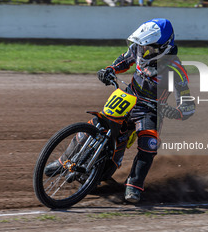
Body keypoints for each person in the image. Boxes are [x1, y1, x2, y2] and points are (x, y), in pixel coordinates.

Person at [44, 19, 195, 203]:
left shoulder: (176, 70)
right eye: (141, 46)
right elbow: (125, 60)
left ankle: (134, 186)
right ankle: (63, 162)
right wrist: (109, 70)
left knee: (149, 143)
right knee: (97, 123)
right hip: (128, 97)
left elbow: (187, 106)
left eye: (148, 48)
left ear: (163, 46)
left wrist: (175, 112)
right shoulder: (139, 48)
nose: (143, 51)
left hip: (151, 109)